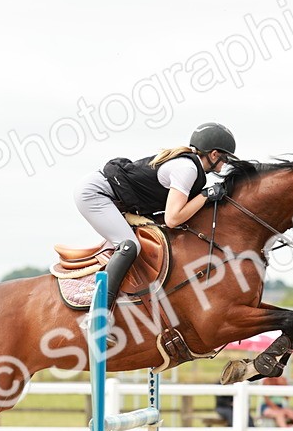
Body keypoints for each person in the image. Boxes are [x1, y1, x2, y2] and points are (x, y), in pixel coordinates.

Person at [73, 122, 237, 310]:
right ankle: (99, 308)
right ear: (214, 154)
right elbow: (173, 219)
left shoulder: (191, 167)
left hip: (110, 195)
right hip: (95, 194)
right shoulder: (188, 169)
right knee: (129, 245)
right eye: (225, 158)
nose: (226, 163)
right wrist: (205, 196)